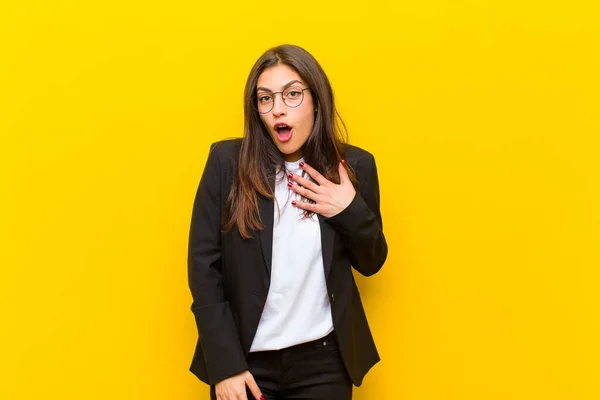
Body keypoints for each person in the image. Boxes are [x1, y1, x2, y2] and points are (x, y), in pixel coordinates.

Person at [187, 44, 388, 400]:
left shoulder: (354, 168)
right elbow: (204, 268)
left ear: (316, 99)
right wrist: (225, 365)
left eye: (292, 94)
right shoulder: (226, 163)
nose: (278, 108)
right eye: (265, 99)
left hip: (324, 364)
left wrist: (347, 208)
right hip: (246, 362)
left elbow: (372, 263)